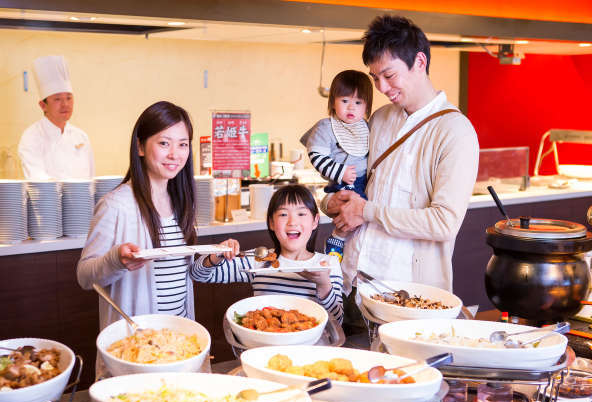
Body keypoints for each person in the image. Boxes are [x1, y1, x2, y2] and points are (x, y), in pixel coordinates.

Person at [324, 16, 479, 333]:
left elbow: (443, 223)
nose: (381, 88)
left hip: (408, 301)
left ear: (419, 62)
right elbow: (356, 181)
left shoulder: (455, 131)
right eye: (375, 77)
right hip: (352, 287)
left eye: (389, 75)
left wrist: (366, 211)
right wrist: (335, 200)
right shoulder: (380, 119)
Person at [77, 101, 197, 333]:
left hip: (181, 336)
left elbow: (182, 273)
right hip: (138, 343)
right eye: (164, 143)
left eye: (183, 144)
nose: (175, 154)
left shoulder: (182, 202)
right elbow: (84, 276)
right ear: (140, 147)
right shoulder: (115, 205)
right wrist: (116, 260)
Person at [191, 184, 344, 324]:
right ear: (271, 222)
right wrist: (218, 254)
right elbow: (198, 274)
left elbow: (337, 321)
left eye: (301, 214)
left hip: (310, 346)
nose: (292, 222)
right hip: (262, 344)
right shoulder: (259, 259)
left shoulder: (327, 264)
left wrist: (324, 285)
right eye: (283, 214)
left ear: (315, 221)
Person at [300, 70, 373, 262]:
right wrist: (340, 172)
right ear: (333, 101)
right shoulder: (326, 126)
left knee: (360, 217)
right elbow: (316, 156)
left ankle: (342, 250)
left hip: (363, 182)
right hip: (343, 182)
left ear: (366, 106)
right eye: (344, 101)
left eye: (358, 103)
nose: (351, 107)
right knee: (349, 213)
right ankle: (335, 243)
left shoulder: (365, 127)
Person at [18, 55, 94, 180]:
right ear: (43, 105)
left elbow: (91, 182)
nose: (65, 104)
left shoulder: (81, 137)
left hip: (82, 200)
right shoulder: (31, 136)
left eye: (69, 98)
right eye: (57, 99)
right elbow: (39, 180)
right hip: (48, 199)